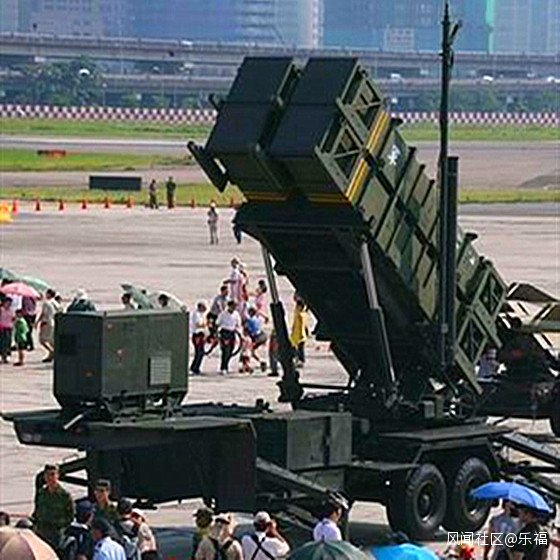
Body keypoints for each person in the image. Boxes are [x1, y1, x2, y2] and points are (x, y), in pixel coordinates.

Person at [32, 464, 74, 554]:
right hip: (41, 529)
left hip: (56, 531)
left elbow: (70, 516)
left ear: (57, 476)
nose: (50, 478)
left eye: (52, 474)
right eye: (47, 475)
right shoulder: (41, 493)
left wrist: (59, 525)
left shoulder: (64, 496)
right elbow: (37, 511)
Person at [217, 301, 241, 375]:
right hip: (225, 332)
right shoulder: (223, 314)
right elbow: (218, 323)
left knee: (231, 350)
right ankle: (224, 367)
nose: (234, 308)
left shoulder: (236, 314)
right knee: (225, 351)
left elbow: (238, 323)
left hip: (232, 333)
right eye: (232, 306)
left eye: (235, 306)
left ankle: (226, 365)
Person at [37, 288, 57, 362]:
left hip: (47, 322)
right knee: (51, 340)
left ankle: (52, 351)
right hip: (54, 322)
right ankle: (50, 355)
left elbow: (43, 313)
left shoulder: (46, 303)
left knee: (42, 340)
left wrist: (38, 321)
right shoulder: (55, 303)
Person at [245, 307, 267, 372]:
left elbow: (248, 330)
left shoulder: (250, 320)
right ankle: (261, 362)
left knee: (249, 351)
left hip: (256, 337)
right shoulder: (258, 319)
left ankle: (249, 365)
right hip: (261, 335)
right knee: (252, 352)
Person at [190, 301, 207, 375]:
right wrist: (205, 324)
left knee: (201, 352)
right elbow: (198, 324)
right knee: (199, 352)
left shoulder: (202, 314)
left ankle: (196, 367)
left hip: (201, 334)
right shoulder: (196, 314)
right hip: (197, 334)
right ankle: (194, 368)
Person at [290, 298, 309, 366]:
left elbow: (301, 325)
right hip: (298, 333)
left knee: (298, 347)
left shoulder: (300, 314)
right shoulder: (303, 313)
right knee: (299, 347)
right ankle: (299, 359)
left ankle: (300, 359)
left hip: (299, 334)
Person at [0, 296, 14, 363]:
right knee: (2, 342)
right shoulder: (1, 309)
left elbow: (13, 318)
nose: (8, 304)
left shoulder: (11, 310)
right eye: (7, 303)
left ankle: (7, 355)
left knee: (8, 342)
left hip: (9, 327)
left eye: (10, 303)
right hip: (2, 327)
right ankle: (2, 355)